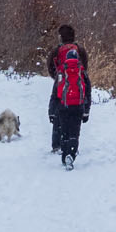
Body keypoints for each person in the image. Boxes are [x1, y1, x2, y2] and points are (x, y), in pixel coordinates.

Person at [47, 25, 92, 167]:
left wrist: (58, 77)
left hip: (62, 87)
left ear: (61, 36)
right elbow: (85, 65)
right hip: (77, 99)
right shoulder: (79, 49)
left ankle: (57, 145)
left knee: (59, 119)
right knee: (74, 127)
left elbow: (50, 65)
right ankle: (72, 149)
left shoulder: (56, 50)